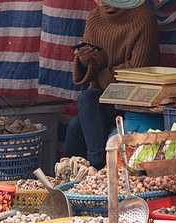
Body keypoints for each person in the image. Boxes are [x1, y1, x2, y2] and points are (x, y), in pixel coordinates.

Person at [64, 0, 160, 170]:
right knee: (80, 111)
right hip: (100, 97)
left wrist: (100, 72)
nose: (101, 2)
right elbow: (95, 62)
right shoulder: (94, 17)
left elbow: (137, 70)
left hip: (133, 98)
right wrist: (85, 60)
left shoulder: (143, 17)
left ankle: (96, 166)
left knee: (76, 123)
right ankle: (71, 177)